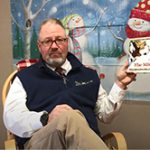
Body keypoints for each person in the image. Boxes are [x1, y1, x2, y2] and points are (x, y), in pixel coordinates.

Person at [3, 18, 136, 149]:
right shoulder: (24, 77)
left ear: (67, 42)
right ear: (39, 46)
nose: (54, 46)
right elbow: (12, 118)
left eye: (59, 40)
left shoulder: (88, 74)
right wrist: (45, 118)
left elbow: (105, 115)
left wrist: (120, 84)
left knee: (71, 118)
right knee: (68, 118)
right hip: (42, 143)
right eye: (47, 41)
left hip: (84, 144)